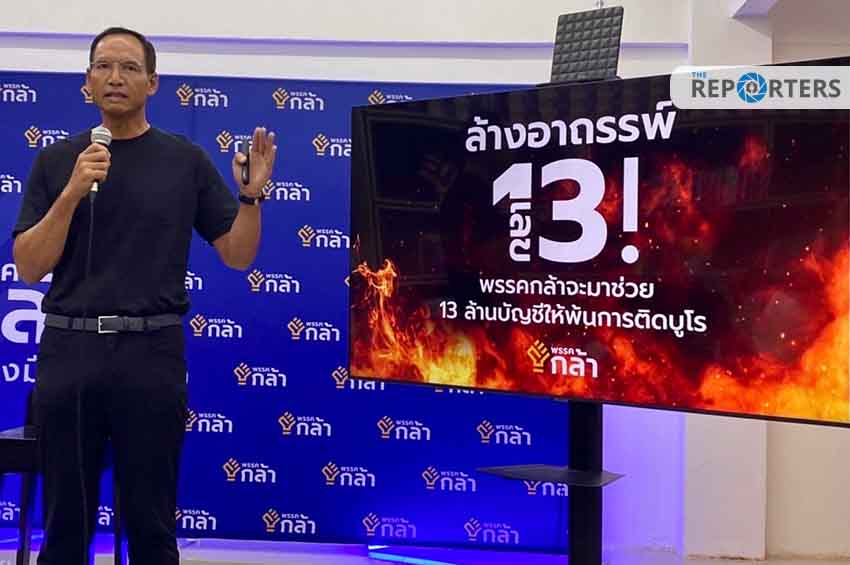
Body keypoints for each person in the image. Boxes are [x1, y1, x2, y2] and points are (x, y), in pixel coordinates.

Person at [11, 26, 276, 565]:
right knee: (65, 527)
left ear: (152, 82)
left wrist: (251, 197)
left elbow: (238, 254)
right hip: (70, 351)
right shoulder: (58, 161)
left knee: (152, 525)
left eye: (129, 67)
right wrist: (72, 193)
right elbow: (30, 267)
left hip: (151, 355)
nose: (115, 77)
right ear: (87, 81)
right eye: (103, 66)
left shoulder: (184, 161)